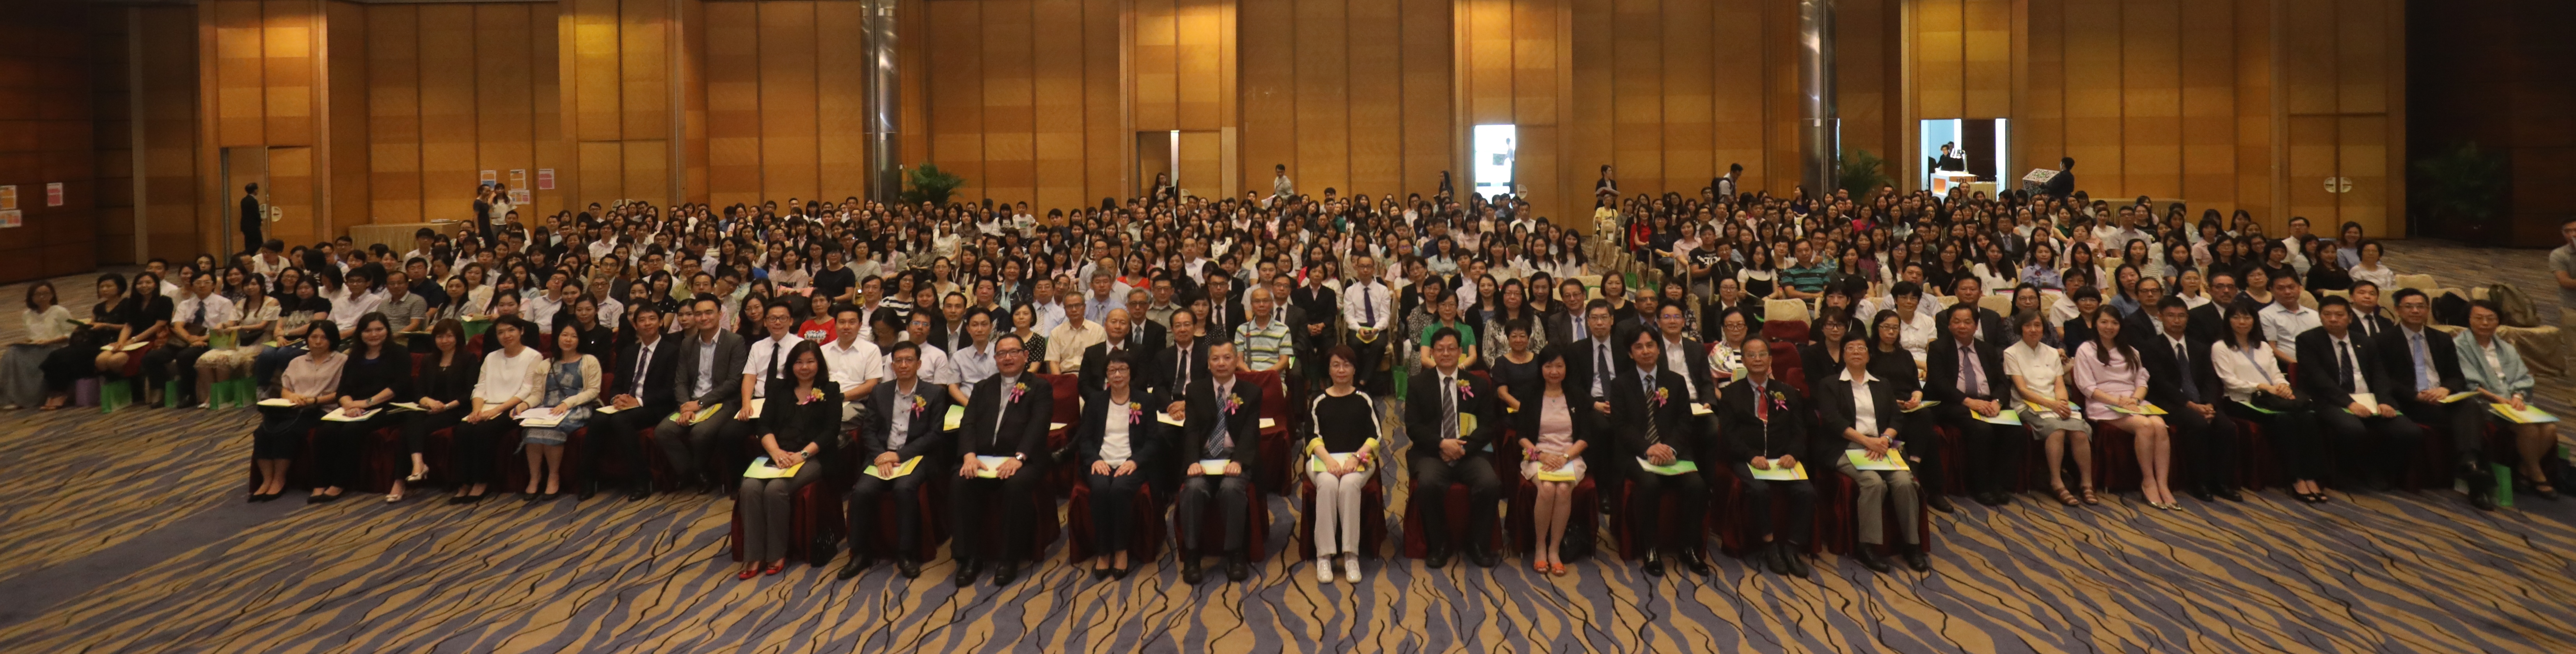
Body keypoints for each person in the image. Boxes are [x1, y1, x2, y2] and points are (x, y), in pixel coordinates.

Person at [1817, 335, 1928, 572]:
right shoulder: (1830, 384)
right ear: (1843, 355)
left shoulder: (1882, 384)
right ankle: (1867, 546)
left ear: (1869, 355)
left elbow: (1896, 417)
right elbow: (1833, 421)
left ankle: (1912, 545)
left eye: (1862, 348)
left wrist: (1885, 440)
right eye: (1850, 348)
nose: (1857, 351)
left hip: (1881, 446)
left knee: (1905, 482)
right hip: (1846, 447)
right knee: (1873, 482)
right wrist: (1868, 441)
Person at [845, 340, 952, 580]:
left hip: (915, 456)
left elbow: (935, 435)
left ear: (919, 364)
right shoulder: (880, 392)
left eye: (909, 360)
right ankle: (860, 553)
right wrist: (881, 456)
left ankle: (906, 553)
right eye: (899, 361)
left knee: (904, 489)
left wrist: (899, 456)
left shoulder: (934, 393)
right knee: (862, 491)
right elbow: (869, 430)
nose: (904, 365)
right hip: (882, 455)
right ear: (892, 366)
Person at [949, 333, 1050, 588]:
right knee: (960, 481)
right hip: (983, 458)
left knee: (1015, 486)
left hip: (1023, 459)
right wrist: (969, 455)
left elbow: (1038, 426)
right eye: (1002, 353)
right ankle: (969, 557)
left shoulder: (1039, 387)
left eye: (1014, 352)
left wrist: (1019, 457)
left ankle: (1009, 558)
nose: (1008, 358)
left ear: (1025, 356)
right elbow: (968, 423)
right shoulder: (983, 387)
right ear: (995, 359)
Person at [2294, 296, 2423, 492]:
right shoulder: (2308, 340)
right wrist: (2349, 403)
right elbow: (2318, 379)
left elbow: (2380, 375)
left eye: (2339, 315)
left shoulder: (2366, 341)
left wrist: (2384, 401)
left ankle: (2378, 469)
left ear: (2350, 318)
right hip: (2331, 400)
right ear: (2320, 317)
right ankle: (2347, 473)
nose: (2333, 319)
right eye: (2327, 315)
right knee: (2353, 429)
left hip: (2369, 399)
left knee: (2409, 432)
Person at [734, 341, 839, 580]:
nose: (805, 367)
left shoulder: (830, 390)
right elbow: (764, 425)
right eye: (799, 362)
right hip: (777, 453)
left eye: (810, 362)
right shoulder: (779, 388)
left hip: (811, 456)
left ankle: (777, 552)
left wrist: (801, 456)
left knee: (776, 489)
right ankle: (754, 554)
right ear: (791, 365)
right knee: (749, 487)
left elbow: (830, 432)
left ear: (819, 364)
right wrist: (776, 453)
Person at [2375, 289, 2487, 508]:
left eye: (2421, 307)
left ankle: (2470, 463)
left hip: (2442, 397)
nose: (2416, 311)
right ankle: (2475, 477)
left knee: (2470, 405)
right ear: (2397, 310)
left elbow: (2456, 376)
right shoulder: (2383, 340)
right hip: (2410, 401)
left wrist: (2446, 389)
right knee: (2467, 419)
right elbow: (2384, 379)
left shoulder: (2441, 338)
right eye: (2409, 307)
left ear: (2428, 310)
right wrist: (2416, 395)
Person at [1405, 327, 1503, 569]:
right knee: (1428, 484)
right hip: (1432, 452)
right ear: (1432, 353)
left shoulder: (1478, 384)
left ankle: (1478, 544)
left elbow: (1489, 425)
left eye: (1451, 349)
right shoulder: (1418, 384)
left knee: (1489, 483)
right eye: (1440, 349)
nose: (1446, 353)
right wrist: (1441, 444)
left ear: (1461, 352)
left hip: (1468, 452)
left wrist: (1464, 448)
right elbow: (1413, 427)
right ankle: (1439, 545)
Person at [1613, 327, 1706, 577]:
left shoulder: (1676, 381)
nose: (1646, 351)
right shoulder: (1621, 384)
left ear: (1658, 349)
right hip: (1638, 453)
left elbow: (1685, 421)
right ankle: (1650, 547)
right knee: (1650, 484)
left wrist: (1670, 448)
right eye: (1639, 347)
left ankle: (1689, 548)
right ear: (1630, 353)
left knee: (1696, 485)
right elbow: (1621, 427)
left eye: (1650, 345)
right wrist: (1648, 448)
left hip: (1674, 452)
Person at [1719, 336, 1815, 577]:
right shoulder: (1731, 394)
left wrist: (1793, 454)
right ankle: (1770, 545)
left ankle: (1792, 547)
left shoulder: (1788, 393)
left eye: (1762, 354)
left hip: (1782, 460)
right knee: (1759, 490)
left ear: (1770, 360)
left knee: (1806, 491)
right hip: (1748, 459)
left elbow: (1799, 431)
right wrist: (1751, 456)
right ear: (1744, 361)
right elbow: (1730, 435)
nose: (1758, 359)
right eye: (1751, 355)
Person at [2211, 305, 2328, 502]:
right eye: (2237, 318)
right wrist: (2263, 387)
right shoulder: (2221, 347)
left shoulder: (2263, 347)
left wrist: (2283, 387)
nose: (2242, 322)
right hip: (2242, 400)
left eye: (2247, 318)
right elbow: (2229, 381)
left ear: (2254, 321)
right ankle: (2296, 478)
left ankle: (2312, 476)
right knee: (2285, 420)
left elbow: (2277, 374)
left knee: (2308, 418)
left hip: (2272, 399)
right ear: (2228, 321)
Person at [1174, 340, 1262, 583]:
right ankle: (1192, 555)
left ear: (1236, 361)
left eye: (1227, 358)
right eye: (1215, 359)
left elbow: (1251, 432)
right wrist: (1192, 461)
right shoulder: (1195, 391)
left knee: (1231, 489)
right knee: (1193, 489)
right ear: (1208, 363)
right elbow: (1191, 430)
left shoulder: (1251, 392)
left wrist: (1239, 461)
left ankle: (1235, 553)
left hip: (1234, 457)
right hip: (1203, 458)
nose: (1221, 363)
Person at [2072, 310, 2178, 509]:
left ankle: (2163, 485)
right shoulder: (2086, 350)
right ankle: (2148, 482)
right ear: (2096, 324)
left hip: (2133, 402)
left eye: (2114, 323)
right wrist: (2118, 402)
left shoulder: (2131, 351)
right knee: (2145, 426)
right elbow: (2087, 387)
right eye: (2104, 322)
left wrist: (2135, 400)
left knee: (2160, 425)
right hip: (2104, 403)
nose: (2109, 327)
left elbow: (2142, 381)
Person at [2138, 296, 2241, 503]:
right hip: (2170, 403)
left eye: (2182, 316)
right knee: (2198, 424)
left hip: (2202, 403)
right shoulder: (2151, 347)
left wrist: (2209, 404)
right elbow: (2161, 384)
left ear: (2188, 318)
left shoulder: (2200, 347)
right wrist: (2191, 405)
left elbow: (2210, 380)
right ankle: (2198, 483)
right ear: (2161, 317)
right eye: (2171, 316)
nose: (2177, 321)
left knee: (2226, 427)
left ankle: (2222, 483)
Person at [1071, 350, 1160, 581]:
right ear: (1106, 375)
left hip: (1131, 463)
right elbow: (1085, 439)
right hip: (1101, 461)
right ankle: (1103, 552)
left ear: (1131, 373)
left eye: (1123, 370)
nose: (1117, 375)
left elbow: (1153, 441)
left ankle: (1121, 550)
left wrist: (1135, 461)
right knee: (1100, 489)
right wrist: (1095, 460)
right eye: (1112, 370)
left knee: (1120, 490)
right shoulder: (1096, 401)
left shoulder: (1145, 401)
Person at [1929, 304, 2027, 506]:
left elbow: (2002, 383)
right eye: (1957, 322)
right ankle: (1981, 487)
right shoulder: (1939, 348)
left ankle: (1999, 484)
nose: (1962, 326)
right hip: (1956, 403)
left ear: (1976, 326)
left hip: (1988, 402)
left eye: (1968, 322)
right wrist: (1970, 402)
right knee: (1982, 430)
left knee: (2016, 430)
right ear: (1949, 325)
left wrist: (1997, 403)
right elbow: (1939, 384)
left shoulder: (1987, 349)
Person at [2458, 301, 2553, 502]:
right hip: (2484, 403)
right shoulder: (2459, 346)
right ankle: (2537, 475)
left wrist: (2518, 397)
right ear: (2469, 320)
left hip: (2512, 402)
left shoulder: (2506, 348)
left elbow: (2523, 378)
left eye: (2491, 319)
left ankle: (2524, 470)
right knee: (2529, 429)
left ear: (2498, 322)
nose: (2485, 323)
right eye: (2479, 318)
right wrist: (2499, 399)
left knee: (2550, 429)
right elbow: (2468, 383)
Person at [1304, 346, 1383, 583]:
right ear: (1329, 370)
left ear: (1355, 369)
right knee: (1328, 484)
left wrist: (1356, 458)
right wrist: (1328, 460)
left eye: (1347, 365)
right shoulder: (1318, 400)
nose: (1341, 370)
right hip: (1323, 459)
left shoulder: (1363, 399)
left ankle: (1351, 556)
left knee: (1349, 485)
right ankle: (1324, 556)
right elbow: (1312, 437)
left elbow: (1376, 435)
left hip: (1358, 460)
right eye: (1336, 365)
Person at [655, 296, 749, 494]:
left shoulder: (735, 341)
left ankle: (699, 472)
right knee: (663, 431)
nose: (703, 318)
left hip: (721, 403)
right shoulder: (688, 344)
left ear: (720, 315)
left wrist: (700, 404)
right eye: (698, 314)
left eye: (709, 313)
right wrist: (685, 406)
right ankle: (692, 472)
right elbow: (680, 381)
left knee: (700, 433)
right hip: (691, 402)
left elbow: (733, 382)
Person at [1512, 344, 1589, 577]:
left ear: (1567, 368)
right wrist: (1542, 455)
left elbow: (1586, 436)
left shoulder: (1577, 395)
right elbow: (1521, 436)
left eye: (1559, 366)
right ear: (1541, 369)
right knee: (1546, 489)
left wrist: (1565, 457)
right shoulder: (1531, 394)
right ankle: (1540, 547)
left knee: (1564, 489)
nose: (1554, 371)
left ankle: (1554, 550)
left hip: (1570, 456)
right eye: (1548, 366)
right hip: (1538, 455)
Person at [313, 313, 408, 503]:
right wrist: (349, 405)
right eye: (368, 331)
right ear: (360, 333)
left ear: (387, 331)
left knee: (351, 431)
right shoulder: (355, 355)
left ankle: (340, 483)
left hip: (387, 407)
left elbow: (399, 386)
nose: (374, 335)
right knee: (325, 431)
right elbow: (344, 389)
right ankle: (320, 483)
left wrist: (366, 403)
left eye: (379, 330)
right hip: (355, 408)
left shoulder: (399, 353)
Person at [452, 317, 547, 503]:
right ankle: (465, 483)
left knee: (483, 431)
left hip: (513, 408)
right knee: (463, 430)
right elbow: (480, 387)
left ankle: (482, 482)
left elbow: (526, 390)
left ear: (521, 331)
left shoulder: (534, 356)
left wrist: (496, 411)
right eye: (501, 332)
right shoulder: (491, 357)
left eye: (511, 330)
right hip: (486, 406)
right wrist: (477, 411)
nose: (506, 336)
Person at [2005, 311, 2093, 507]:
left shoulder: (2053, 352)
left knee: (2079, 432)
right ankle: (2057, 482)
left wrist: (2062, 403)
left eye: (2038, 325)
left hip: (2055, 403)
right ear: (2021, 329)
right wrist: (2052, 405)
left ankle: (2087, 483)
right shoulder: (2011, 353)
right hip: (2027, 405)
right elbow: (2023, 390)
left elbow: (2059, 384)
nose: (2033, 330)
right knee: (2057, 430)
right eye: (2028, 326)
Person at [249, 321, 342, 502]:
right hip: (292, 407)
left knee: (287, 432)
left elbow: (342, 393)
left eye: (323, 338)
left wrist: (314, 400)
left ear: (332, 340)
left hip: (321, 408)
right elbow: (285, 389)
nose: (318, 342)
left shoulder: (341, 361)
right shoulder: (297, 361)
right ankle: (266, 480)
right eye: (314, 337)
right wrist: (292, 396)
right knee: (262, 432)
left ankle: (279, 479)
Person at [592, 304, 678, 501]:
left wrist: (637, 402)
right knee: (598, 419)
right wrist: (616, 399)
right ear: (635, 325)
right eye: (642, 320)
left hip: (654, 407)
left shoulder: (672, 351)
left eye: (652, 319)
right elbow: (617, 384)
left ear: (661, 322)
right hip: (625, 405)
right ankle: (590, 478)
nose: (647, 324)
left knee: (620, 421)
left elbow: (670, 390)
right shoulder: (629, 352)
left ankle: (642, 480)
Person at [518, 325, 602, 502]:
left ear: (580, 340)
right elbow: (537, 394)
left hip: (577, 407)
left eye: (574, 336)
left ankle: (553, 477)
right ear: (558, 338)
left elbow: (593, 391)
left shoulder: (589, 361)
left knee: (554, 428)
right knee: (532, 428)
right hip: (546, 409)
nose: (568, 339)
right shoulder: (546, 364)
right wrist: (525, 405)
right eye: (565, 335)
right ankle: (535, 478)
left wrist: (567, 403)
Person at [402, 319, 478, 500]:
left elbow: (470, 392)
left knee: (415, 428)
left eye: (449, 336)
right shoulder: (429, 359)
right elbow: (419, 391)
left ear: (458, 337)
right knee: (410, 417)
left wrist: (446, 407)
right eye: (440, 337)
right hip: (431, 407)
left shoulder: (468, 358)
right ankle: (419, 464)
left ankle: (415, 470)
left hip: (456, 409)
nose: (444, 341)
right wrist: (428, 401)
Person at [3, 282, 75, 410]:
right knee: (12, 353)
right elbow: (31, 336)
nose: (42, 297)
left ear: (52, 295)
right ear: (31, 297)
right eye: (38, 295)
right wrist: (25, 342)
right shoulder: (27, 314)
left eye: (46, 294)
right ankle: (14, 397)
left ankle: (31, 398)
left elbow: (71, 333)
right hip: (36, 347)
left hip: (54, 347)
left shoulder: (60, 311)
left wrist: (50, 341)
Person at [1341, 255, 1394, 393]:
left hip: (1377, 326)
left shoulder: (1382, 290)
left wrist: (1376, 329)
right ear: (1356, 268)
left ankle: (1362, 381)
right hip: (1358, 327)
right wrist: (1359, 329)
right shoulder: (1350, 291)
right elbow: (1349, 316)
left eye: (1369, 267)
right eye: (1362, 267)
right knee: (1355, 345)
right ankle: (1361, 381)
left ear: (1374, 269)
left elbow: (1385, 316)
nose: (1365, 270)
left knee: (1379, 345)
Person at [240, 183, 263, 254]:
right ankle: (244, 255)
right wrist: (260, 221)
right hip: (253, 226)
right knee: (258, 243)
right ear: (255, 190)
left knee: (249, 244)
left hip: (245, 226)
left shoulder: (244, 200)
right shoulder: (253, 201)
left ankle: (250, 256)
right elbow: (256, 213)